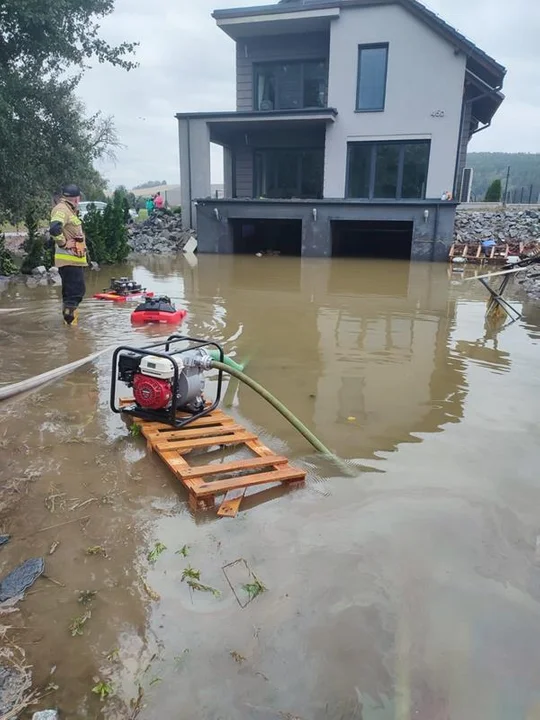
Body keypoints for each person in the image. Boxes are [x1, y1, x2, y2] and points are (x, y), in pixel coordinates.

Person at [49, 184, 88, 326]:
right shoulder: (62, 209)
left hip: (73, 260)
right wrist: (63, 244)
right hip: (69, 260)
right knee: (73, 295)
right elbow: (54, 228)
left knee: (72, 294)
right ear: (77, 198)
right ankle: (72, 333)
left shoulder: (69, 210)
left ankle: (70, 327)